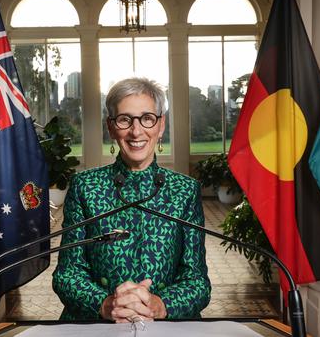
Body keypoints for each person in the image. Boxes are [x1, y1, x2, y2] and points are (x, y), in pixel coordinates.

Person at [52, 77, 211, 322]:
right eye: (125, 119)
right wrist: (105, 305)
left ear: (161, 126)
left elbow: (197, 282)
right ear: (111, 127)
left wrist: (160, 305)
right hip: (97, 325)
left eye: (147, 118)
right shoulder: (85, 186)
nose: (136, 131)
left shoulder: (185, 190)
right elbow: (67, 274)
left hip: (164, 327)